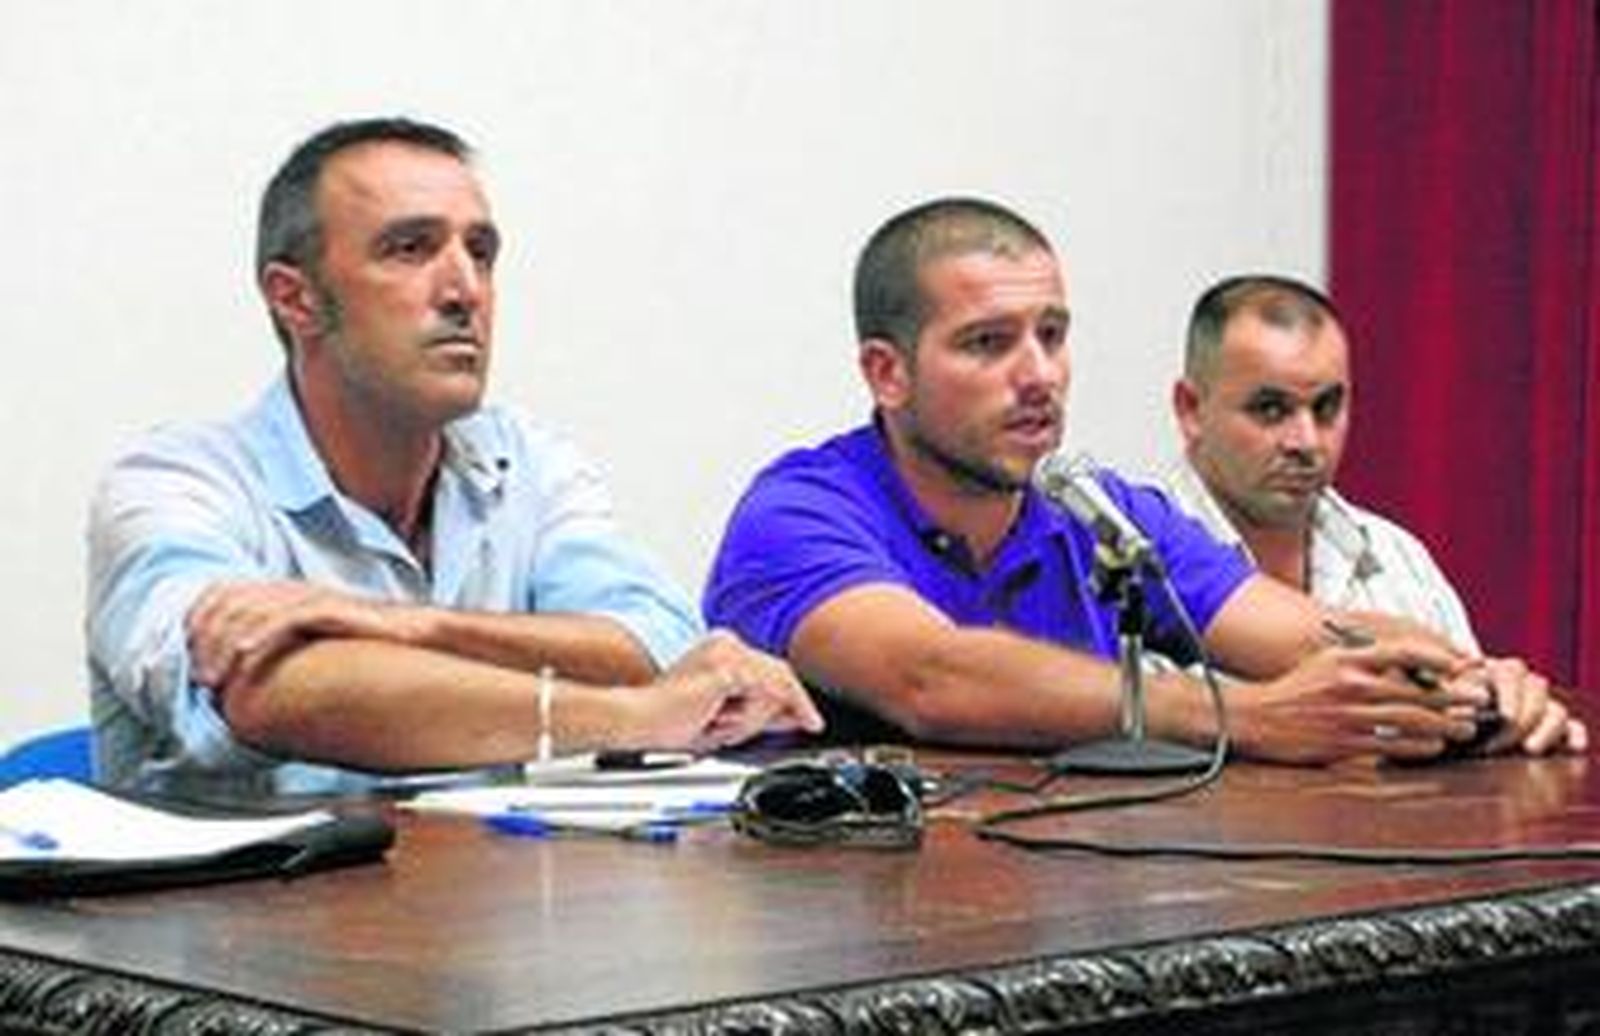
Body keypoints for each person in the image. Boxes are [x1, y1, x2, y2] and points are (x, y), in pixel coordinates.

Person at [87, 117, 820, 796]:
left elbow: (655, 639)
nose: (465, 289)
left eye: (480, 251)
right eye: (410, 248)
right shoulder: (174, 484)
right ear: (296, 299)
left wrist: (404, 623)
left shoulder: (525, 463)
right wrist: (632, 718)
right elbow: (267, 688)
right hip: (235, 927)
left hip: (485, 918)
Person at [704, 196, 1525, 766]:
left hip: (1086, 927)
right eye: (989, 343)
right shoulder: (801, 510)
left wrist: (1473, 687)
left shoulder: (1103, 512)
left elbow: (1307, 633)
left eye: (1053, 335)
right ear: (888, 373)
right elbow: (932, 679)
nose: (1039, 376)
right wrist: (1243, 717)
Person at [1164, 273, 1584, 755]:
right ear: (1191, 409)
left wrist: (1507, 713)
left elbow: (1466, 726)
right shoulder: (1120, 567)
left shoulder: (1396, 557)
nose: (1306, 441)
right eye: (1270, 409)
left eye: (1326, 408)